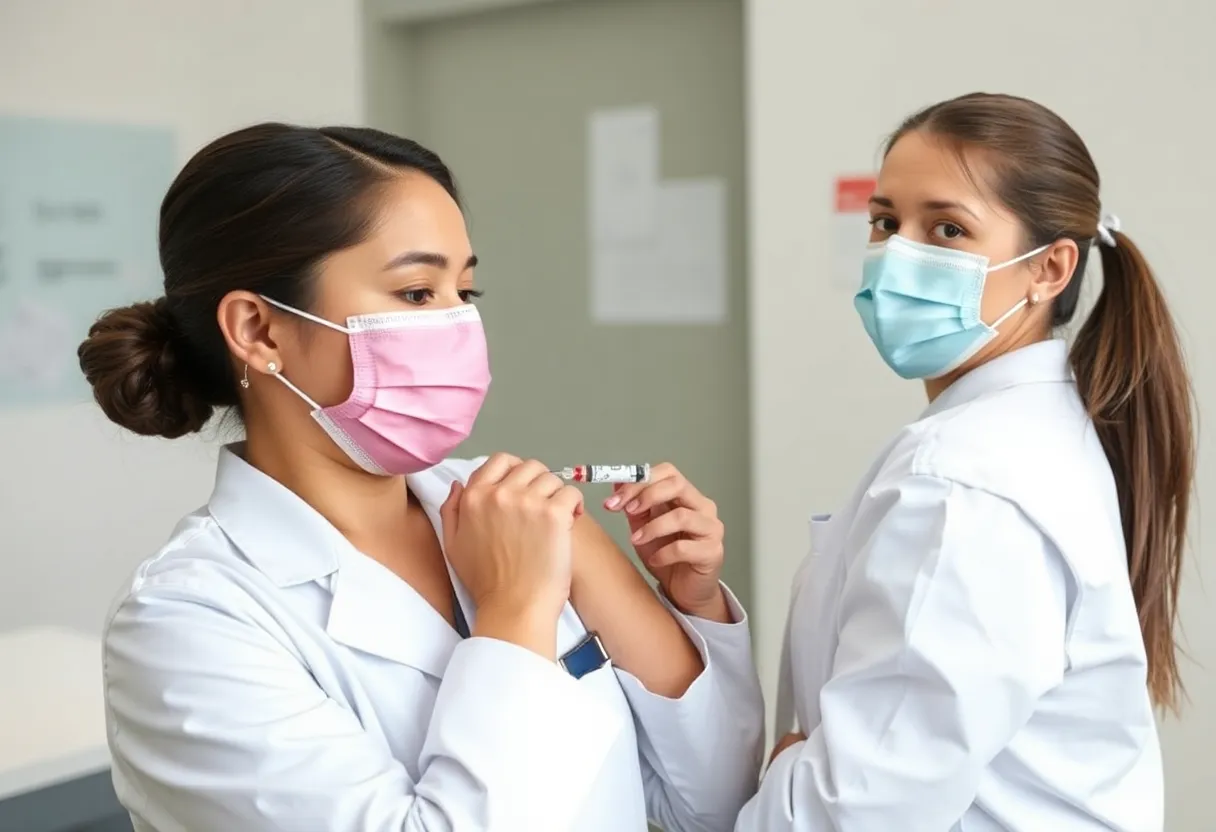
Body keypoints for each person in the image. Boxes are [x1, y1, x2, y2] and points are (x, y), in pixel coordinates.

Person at [78, 123, 764, 831]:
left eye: (465, 289)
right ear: (259, 330)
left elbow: (717, 802)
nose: (459, 324)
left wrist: (693, 599)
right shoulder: (187, 622)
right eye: (415, 293)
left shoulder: (504, 508)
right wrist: (515, 613)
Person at [736, 93, 1194, 832]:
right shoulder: (1026, 434)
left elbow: (857, 810)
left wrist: (788, 771)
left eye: (947, 229)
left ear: (1050, 269)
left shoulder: (964, 478)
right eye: (886, 222)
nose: (899, 254)